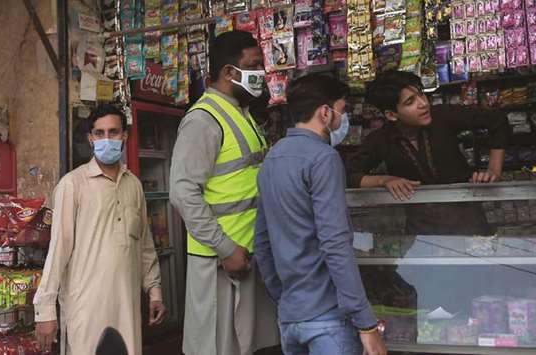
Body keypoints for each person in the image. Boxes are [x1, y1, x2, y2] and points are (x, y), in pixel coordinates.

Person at [254, 73, 387, 355]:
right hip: (328, 318)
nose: (343, 118)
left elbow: (262, 244)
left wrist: (284, 300)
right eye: (342, 110)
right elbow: (335, 243)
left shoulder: (272, 159)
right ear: (325, 113)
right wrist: (366, 324)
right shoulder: (323, 158)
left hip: (290, 317)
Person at [169, 30, 280, 355]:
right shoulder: (203, 120)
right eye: (255, 65)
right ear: (230, 72)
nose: (262, 72)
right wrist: (225, 248)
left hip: (246, 256)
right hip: (221, 262)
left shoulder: (241, 114)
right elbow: (183, 192)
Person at [33, 104, 166, 355]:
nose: (107, 139)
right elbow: (58, 251)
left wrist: (155, 290)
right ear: (90, 138)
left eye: (113, 132)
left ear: (125, 136)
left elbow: (144, 245)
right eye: (100, 133)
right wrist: (45, 310)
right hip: (86, 310)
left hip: (127, 307)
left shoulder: (134, 185)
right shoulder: (72, 185)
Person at [347, 70, 510, 235]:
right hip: (422, 230)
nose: (423, 104)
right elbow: (350, 174)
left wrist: (493, 170)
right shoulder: (382, 139)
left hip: (468, 219)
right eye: (410, 102)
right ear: (391, 115)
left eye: (421, 94)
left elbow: (497, 120)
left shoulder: (442, 116)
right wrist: (384, 180)